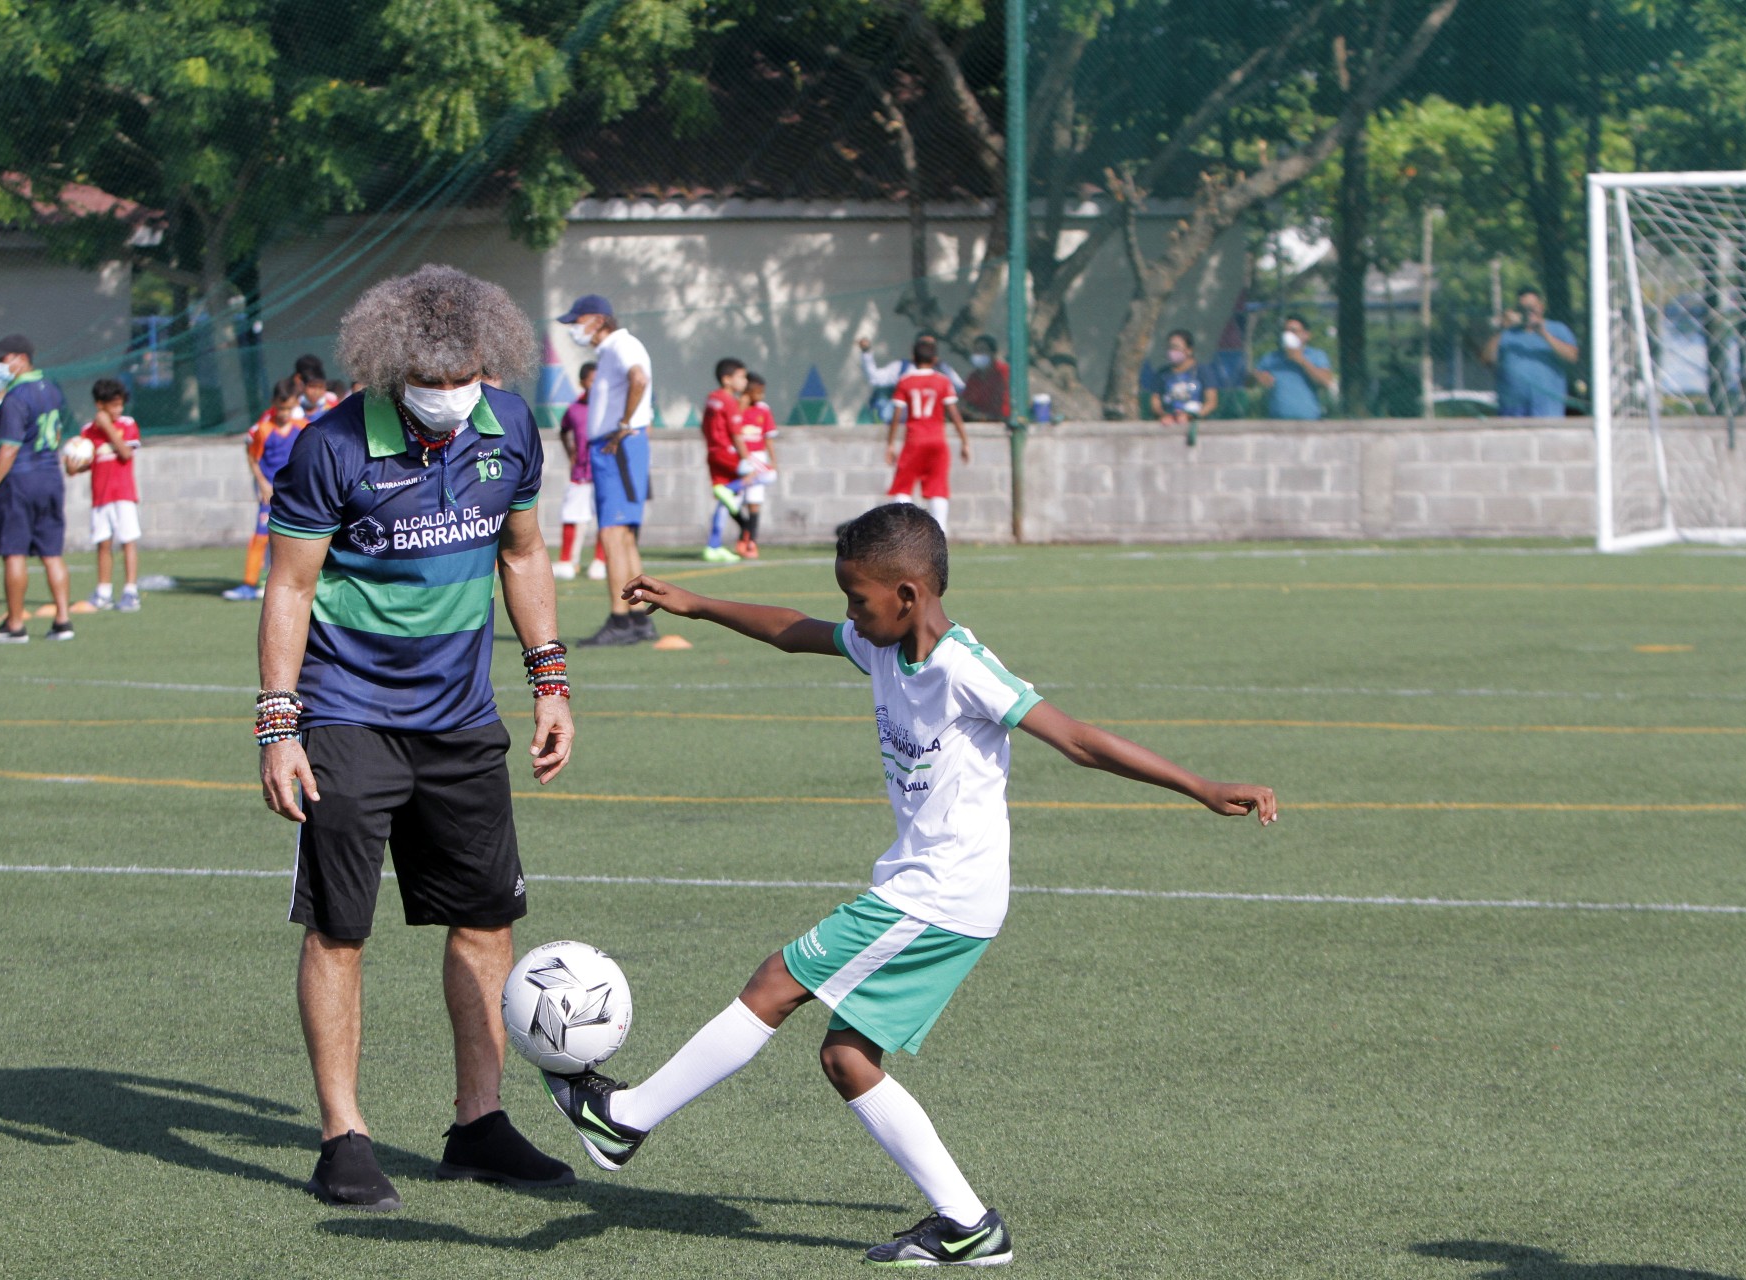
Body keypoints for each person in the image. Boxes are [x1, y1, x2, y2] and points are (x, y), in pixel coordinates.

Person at [538, 503, 1276, 1267]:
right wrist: (697, 604)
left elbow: (1079, 740)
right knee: (847, 1058)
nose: (850, 614)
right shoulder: (883, 645)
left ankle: (624, 1120)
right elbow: (795, 630)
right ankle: (967, 1225)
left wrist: (1199, 785)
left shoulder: (965, 667)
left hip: (936, 895)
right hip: (942, 895)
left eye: (860, 599)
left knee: (778, 981)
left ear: (910, 595)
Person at [256, 263, 577, 1210]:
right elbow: (290, 587)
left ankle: (478, 1122)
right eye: (432, 378)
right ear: (392, 365)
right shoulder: (329, 445)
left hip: (463, 721)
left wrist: (549, 680)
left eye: (466, 372)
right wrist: (280, 726)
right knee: (341, 926)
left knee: (485, 920)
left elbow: (521, 554)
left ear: (492, 358)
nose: (450, 393)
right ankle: (342, 1136)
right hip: (349, 716)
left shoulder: (511, 426)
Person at [560, 294, 656, 646]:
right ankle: (637, 617)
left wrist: (624, 422)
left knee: (614, 534)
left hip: (616, 447)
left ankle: (620, 618)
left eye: (577, 321)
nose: (573, 329)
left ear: (599, 320)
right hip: (618, 447)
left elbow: (639, 378)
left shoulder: (620, 345)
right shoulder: (613, 349)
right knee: (624, 535)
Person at [0, 334, 74, 643]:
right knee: (51, 553)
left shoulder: (15, 398)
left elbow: (9, 449)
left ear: (20, 358)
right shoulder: (52, 390)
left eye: (2, 360)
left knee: (14, 551)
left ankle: (15, 625)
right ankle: (63, 620)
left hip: (19, 480)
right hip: (50, 477)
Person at [224, 378, 308, 602]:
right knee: (261, 537)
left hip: (295, 492)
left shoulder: (303, 427)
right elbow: (252, 457)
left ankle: (297, 581)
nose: (284, 413)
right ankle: (249, 584)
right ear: (273, 403)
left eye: (289, 408)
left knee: (298, 537)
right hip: (270, 492)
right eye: (281, 408)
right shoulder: (263, 429)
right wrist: (261, 482)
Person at [885, 336, 971, 536]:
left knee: (903, 487)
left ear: (913, 357)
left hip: (914, 441)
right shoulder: (942, 381)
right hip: (937, 442)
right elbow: (954, 413)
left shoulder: (905, 381)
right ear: (935, 359)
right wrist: (965, 442)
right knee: (938, 488)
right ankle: (940, 535)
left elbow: (897, 415)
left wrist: (890, 445)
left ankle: (902, 534)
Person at [78, 378, 143, 613]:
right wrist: (73, 462)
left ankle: (130, 591)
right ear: (100, 405)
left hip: (123, 494)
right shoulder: (87, 431)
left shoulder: (127, 424)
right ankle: (103, 591)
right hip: (100, 496)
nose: (118, 410)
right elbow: (83, 463)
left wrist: (107, 427)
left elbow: (126, 453)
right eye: (113, 405)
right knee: (103, 543)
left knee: (128, 541)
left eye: (120, 404)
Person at [1483, 287, 1578, 418]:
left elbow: (1572, 357)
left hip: (1547, 407)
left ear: (1541, 307)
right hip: (1512, 407)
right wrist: (1501, 329)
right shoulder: (1507, 333)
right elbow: (1487, 359)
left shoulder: (1557, 329)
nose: (1528, 312)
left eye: (1532, 307)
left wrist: (1544, 334)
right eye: (1523, 308)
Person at [553, 361, 607, 582]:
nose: (596, 386)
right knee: (571, 515)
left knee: (604, 518)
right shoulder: (574, 409)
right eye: (592, 381)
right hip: (580, 474)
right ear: (583, 382)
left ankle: (600, 561)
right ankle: (567, 561)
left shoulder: (608, 408)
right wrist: (570, 453)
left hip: (604, 472)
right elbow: (563, 431)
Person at [701, 357, 753, 563]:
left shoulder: (711, 398)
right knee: (765, 475)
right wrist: (746, 459)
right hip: (727, 453)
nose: (745, 381)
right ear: (726, 379)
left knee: (723, 505)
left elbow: (704, 427)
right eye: (741, 377)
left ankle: (713, 546)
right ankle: (728, 489)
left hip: (713, 452)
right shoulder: (728, 401)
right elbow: (736, 434)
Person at [860, 333, 964, 424]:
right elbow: (875, 378)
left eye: (930, 348)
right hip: (903, 427)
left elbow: (960, 389)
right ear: (914, 349)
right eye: (922, 347)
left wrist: (943, 367)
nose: (925, 351)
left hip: (932, 428)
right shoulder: (902, 368)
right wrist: (866, 352)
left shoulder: (943, 373)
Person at [1250, 315, 1334, 421]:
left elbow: (1326, 381)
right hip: (1277, 423)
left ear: (1306, 335)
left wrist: (1301, 360)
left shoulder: (1316, 355)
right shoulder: (1271, 357)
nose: (1288, 334)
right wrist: (1257, 377)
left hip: (1309, 421)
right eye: (1285, 331)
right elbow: (1248, 382)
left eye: (1293, 331)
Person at [734, 372, 780, 558]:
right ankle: (744, 530)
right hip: (740, 458)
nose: (761, 396)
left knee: (754, 500)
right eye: (758, 392)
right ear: (748, 391)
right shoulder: (735, 407)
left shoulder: (763, 409)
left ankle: (750, 541)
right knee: (732, 501)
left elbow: (768, 438)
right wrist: (741, 406)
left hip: (758, 458)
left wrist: (773, 460)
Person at [1148, 329, 1217, 445]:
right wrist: (1164, 415)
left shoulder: (1202, 371)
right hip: (1168, 425)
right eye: (1170, 348)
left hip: (1195, 428)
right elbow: (1155, 400)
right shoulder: (1163, 374)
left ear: (1189, 350)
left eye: (1176, 348)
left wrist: (1192, 416)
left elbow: (1212, 402)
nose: (1172, 351)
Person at [960, 335, 1010, 421]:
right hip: (980, 421)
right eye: (976, 351)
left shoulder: (1004, 372)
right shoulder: (973, 377)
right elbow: (965, 402)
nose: (978, 354)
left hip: (1003, 421)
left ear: (993, 353)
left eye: (982, 350)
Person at [294, 354, 341, 421]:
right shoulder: (290, 406)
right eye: (312, 386)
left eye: (321, 387)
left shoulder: (333, 406)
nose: (316, 392)